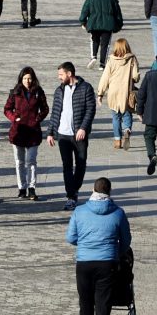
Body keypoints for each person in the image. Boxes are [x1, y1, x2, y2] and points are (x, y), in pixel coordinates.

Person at [66, 176, 131, 315]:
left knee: (85, 301)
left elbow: (71, 238)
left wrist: (86, 243)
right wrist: (115, 251)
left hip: (84, 263)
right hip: (107, 264)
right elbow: (126, 241)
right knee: (103, 305)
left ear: (93, 191)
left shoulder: (79, 211)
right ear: (109, 192)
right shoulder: (118, 213)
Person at [47, 61, 97, 211]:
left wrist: (83, 128)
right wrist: (50, 132)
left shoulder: (86, 88)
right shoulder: (59, 90)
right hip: (63, 134)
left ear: (69, 74)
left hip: (79, 135)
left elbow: (91, 110)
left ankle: (74, 189)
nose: (59, 78)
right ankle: (71, 196)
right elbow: (55, 112)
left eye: (61, 75)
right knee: (67, 166)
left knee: (81, 164)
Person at [5, 66, 49, 200]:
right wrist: (14, 118)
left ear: (33, 79)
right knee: (19, 161)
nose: (27, 81)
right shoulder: (15, 92)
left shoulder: (38, 92)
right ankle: (21, 188)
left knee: (31, 161)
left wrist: (38, 118)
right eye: (24, 78)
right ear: (21, 79)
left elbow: (45, 109)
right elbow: (7, 109)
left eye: (29, 78)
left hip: (33, 132)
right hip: (18, 131)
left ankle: (31, 187)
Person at [98, 38, 139, 151]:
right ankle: (127, 130)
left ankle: (117, 140)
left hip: (113, 92)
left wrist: (100, 93)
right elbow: (136, 76)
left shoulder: (111, 60)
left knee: (115, 117)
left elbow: (105, 77)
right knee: (127, 114)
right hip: (126, 92)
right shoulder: (132, 59)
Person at [80, 0, 124, 70]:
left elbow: (85, 11)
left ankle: (94, 56)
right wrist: (119, 24)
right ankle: (102, 64)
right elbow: (117, 13)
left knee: (94, 40)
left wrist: (83, 22)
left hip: (94, 23)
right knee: (105, 44)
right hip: (108, 24)